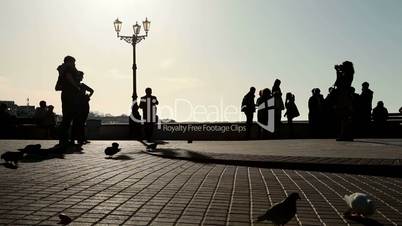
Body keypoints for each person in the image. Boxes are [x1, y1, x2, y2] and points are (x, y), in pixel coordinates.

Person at [56, 55, 81, 146]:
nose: (74, 63)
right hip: (70, 93)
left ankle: (64, 139)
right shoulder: (68, 68)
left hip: (65, 93)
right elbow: (69, 77)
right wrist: (76, 86)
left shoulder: (63, 68)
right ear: (69, 61)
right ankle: (67, 139)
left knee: (67, 116)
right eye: (73, 62)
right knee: (71, 116)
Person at [72, 71, 94, 145]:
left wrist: (88, 96)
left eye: (81, 76)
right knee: (77, 123)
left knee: (80, 123)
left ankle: (80, 138)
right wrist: (88, 96)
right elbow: (91, 91)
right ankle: (78, 138)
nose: (81, 78)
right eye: (80, 76)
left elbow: (92, 91)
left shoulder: (81, 85)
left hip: (83, 105)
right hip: (78, 106)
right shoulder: (74, 85)